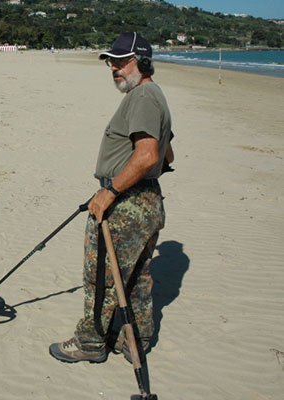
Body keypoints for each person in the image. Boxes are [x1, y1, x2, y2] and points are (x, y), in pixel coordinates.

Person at [49, 32, 174, 363]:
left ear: (142, 62)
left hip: (127, 203)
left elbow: (148, 155)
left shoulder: (144, 98)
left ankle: (90, 343)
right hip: (145, 200)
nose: (114, 68)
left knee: (102, 276)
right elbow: (168, 154)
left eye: (121, 61)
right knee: (137, 276)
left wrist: (111, 190)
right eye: (111, 62)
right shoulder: (153, 95)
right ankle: (137, 340)